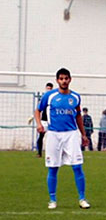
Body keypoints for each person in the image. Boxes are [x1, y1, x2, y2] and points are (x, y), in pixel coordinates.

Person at [34, 68, 90, 210]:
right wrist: (39, 124)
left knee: (77, 166)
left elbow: (78, 116)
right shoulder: (49, 96)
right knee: (53, 168)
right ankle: (52, 199)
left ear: (70, 79)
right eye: (61, 79)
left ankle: (82, 199)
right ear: (57, 80)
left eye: (66, 78)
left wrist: (83, 134)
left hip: (71, 134)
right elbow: (37, 110)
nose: (64, 81)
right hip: (54, 134)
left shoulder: (76, 97)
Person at [34, 82, 54, 157]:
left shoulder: (53, 97)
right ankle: (39, 153)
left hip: (52, 120)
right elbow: (38, 109)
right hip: (44, 120)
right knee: (41, 136)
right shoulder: (44, 98)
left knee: (53, 137)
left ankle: (53, 153)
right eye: (47, 88)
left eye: (50, 88)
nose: (48, 90)